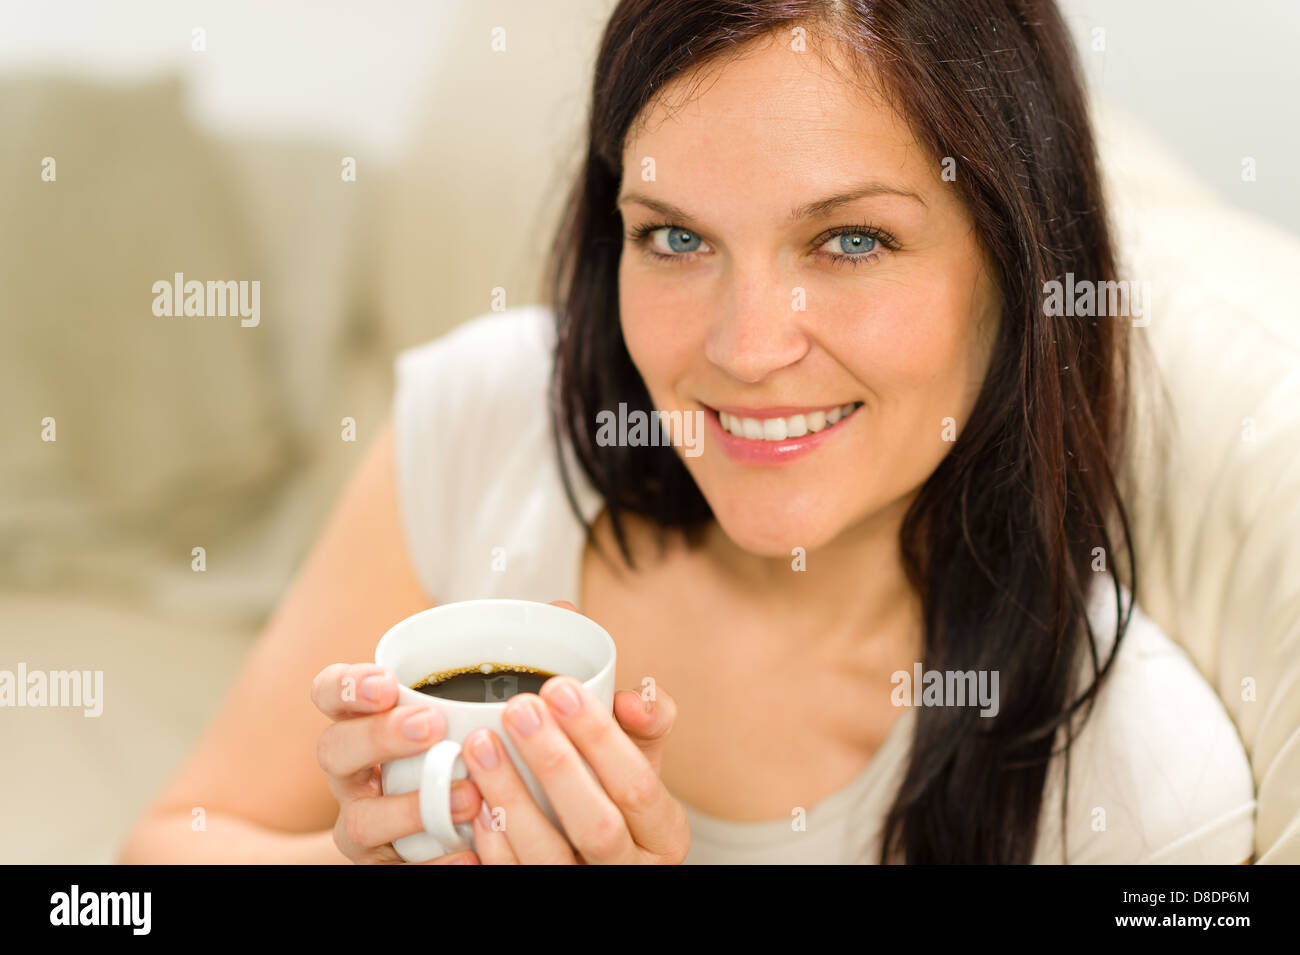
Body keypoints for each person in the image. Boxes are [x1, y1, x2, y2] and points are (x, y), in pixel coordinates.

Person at [120, 0, 1255, 865]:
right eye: (674, 238)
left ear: (1017, 266)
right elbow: (166, 847)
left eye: (850, 241)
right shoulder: (491, 416)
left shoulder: (1141, 794)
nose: (746, 348)